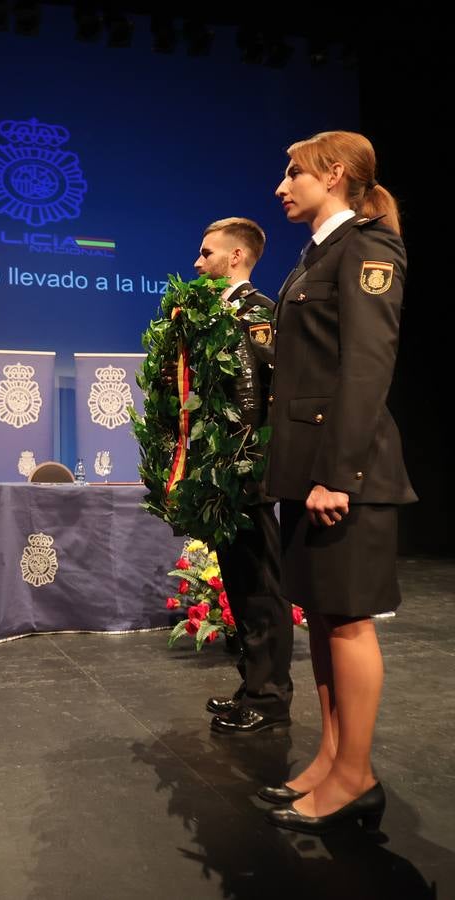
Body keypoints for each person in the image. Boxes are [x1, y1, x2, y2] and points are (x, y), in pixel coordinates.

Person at [262, 132, 416, 834]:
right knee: (322, 619)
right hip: (309, 472)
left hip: (343, 474)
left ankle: (356, 777)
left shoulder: (367, 248)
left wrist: (337, 475)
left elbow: (365, 369)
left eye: (293, 173)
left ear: (335, 173)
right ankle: (332, 760)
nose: (281, 186)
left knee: (348, 622)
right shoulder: (313, 260)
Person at [192, 218, 295, 736]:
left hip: (249, 473)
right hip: (222, 475)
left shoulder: (259, 314)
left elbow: (273, 398)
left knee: (262, 587)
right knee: (239, 584)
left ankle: (271, 697)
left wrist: (258, 465)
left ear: (235, 257)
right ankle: (251, 684)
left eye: (206, 253)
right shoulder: (213, 316)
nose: (197, 262)